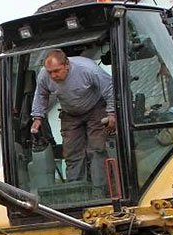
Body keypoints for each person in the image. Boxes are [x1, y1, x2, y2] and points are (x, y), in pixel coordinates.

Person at [30, 49, 115, 190]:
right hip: (70, 113)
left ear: (67, 64)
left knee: (96, 149)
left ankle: (101, 189)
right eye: (50, 72)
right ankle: (76, 189)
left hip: (95, 109)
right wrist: (37, 117)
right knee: (72, 154)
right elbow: (40, 95)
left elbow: (109, 88)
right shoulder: (44, 76)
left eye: (57, 71)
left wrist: (111, 113)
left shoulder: (88, 69)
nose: (53, 75)